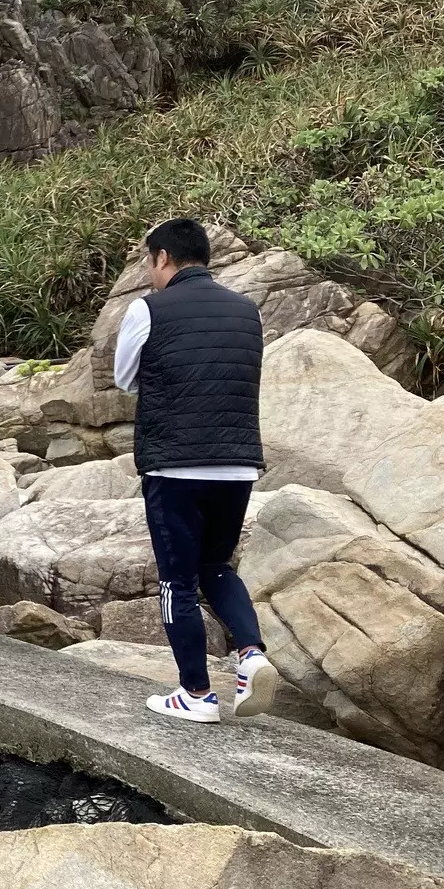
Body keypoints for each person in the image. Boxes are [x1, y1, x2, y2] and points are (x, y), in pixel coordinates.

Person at [113, 217, 279, 723]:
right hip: (237, 465)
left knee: (177, 582)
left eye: (148, 260)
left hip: (175, 465)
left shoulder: (147, 309)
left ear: (163, 257)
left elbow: (124, 379)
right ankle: (251, 655)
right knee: (218, 566)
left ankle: (196, 694)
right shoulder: (247, 310)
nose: (148, 270)